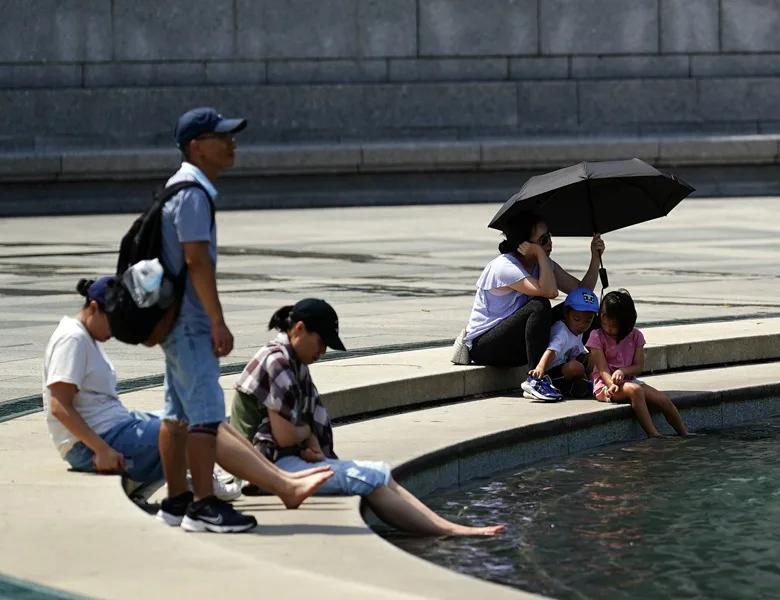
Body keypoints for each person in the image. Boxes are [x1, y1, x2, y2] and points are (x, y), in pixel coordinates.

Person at [42, 278, 334, 532]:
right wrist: (101, 449)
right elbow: (58, 405)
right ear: (93, 308)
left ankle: (281, 479)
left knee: (208, 421)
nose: (118, 329)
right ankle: (284, 487)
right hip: (95, 443)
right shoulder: (73, 339)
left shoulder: (84, 338)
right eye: (114, 319)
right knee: (199, 427)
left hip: (116, 427)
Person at [231, 299, 506, 537]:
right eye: (321, 342)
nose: (323, 352)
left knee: (378, 474)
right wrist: (305, 435)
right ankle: (447, 530)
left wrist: (308, 441)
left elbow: (300, 428)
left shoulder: (291, 361)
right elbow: (287, 435)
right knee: (371, 476)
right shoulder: (277, 361)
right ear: (299, 329)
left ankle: (445, 526)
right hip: (262, 469)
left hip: (280, 460)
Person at [155, 106, 254, 532]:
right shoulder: (193, 193)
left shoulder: (178, 187)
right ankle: (203, 506)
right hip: (191, 321)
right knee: (205, 415)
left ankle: (176, 501)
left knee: (175, 414)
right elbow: (196, 260)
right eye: (222, 137)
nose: (232, 143)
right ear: (197, 146)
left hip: (175, 320)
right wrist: (217, 320)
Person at [460, 212, 605, 401]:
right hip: (487, 346)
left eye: (549, 236)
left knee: (586, 308)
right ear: (524, 245)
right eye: (543, 240)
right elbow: (549, 292)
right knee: (539, 305)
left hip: (518, 340)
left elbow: (581, 292)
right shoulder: (504, 267)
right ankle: (535, 380)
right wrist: (539, 253)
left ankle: (583, 370)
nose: (550, 243)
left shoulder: (542, 264)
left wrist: (595, 258)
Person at [587, 290, 689, 438]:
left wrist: (623, 371)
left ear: (626, 323)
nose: (608, 329)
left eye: (614, 326)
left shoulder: (635, 336)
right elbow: (602, 368)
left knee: (663, 400)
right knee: (636, 391)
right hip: (605, 385)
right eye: (605, 324)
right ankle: (653, 433)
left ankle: (684, 433)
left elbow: (638, 366)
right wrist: (611, 384)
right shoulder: (596, 336)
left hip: (629, 379)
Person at [526, 287, 599, 401]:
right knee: (576, 367)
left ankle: (588, 385)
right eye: (577, 319)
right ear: (566, 313)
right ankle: (590, 386)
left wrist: (589, 357)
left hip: (564, 369)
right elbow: (551, 350)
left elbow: (577, 352)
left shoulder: (577, 331)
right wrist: (540, 368)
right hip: (552, 373)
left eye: (588, 321)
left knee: (593, 359)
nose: (582, 325)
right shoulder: (562, 332)